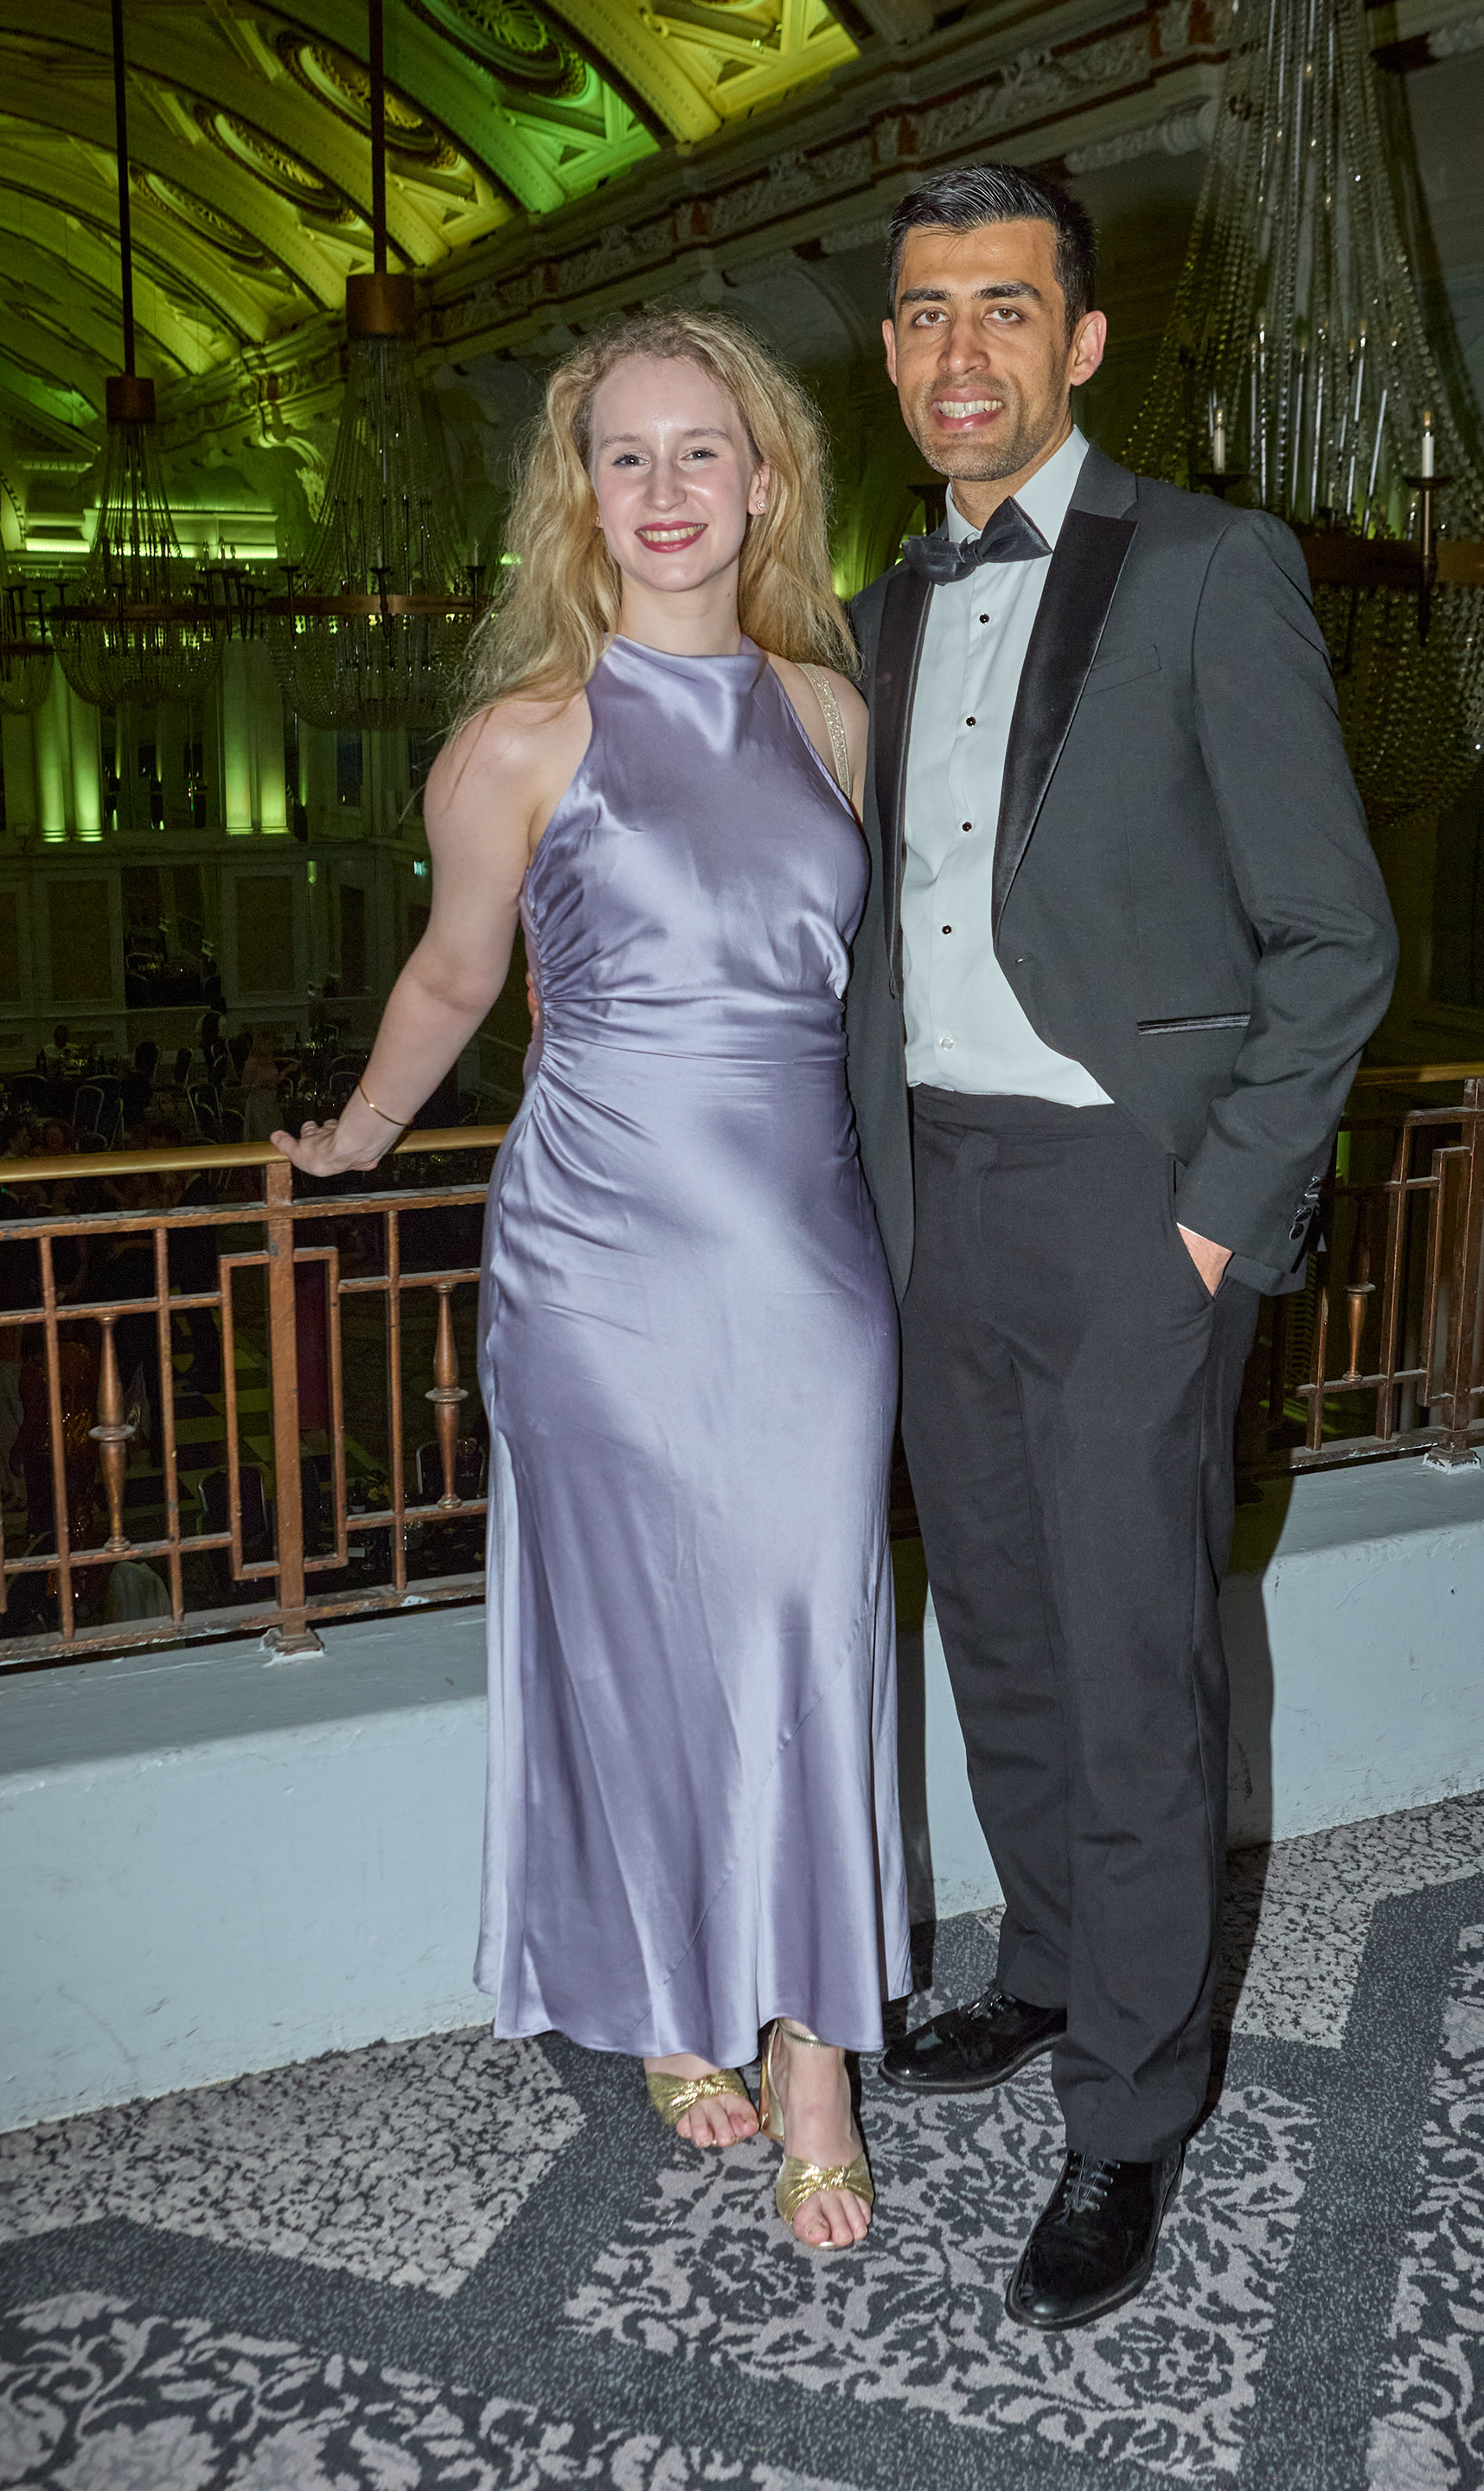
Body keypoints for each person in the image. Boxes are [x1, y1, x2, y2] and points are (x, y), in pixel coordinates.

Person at [273, 308, 908, 2251]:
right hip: (597, 1257)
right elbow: (456, 975)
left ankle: (817, 2050)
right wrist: (363, 1133)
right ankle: (668, 2001)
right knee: (633, 1644)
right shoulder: (519, 739)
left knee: (811, 1630)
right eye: (623, 455)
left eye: (700, 448)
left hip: (805, 1253)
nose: (663, 487)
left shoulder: (829, 711)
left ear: (767, 480)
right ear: (580, 495)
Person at [844, 163, 1398, 2327]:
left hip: (1123, 1201)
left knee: (1134, 1662)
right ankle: (1053, 1971)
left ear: (1079, 341)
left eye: (1003, 306)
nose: (958, 348)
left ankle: (1134, 2110)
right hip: (930, 1192)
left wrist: (1212, 1222)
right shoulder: (879, 610)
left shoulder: (1210, 569)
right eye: (923, 312)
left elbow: (1335, 938)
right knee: (995, 1621)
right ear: (890, 354)